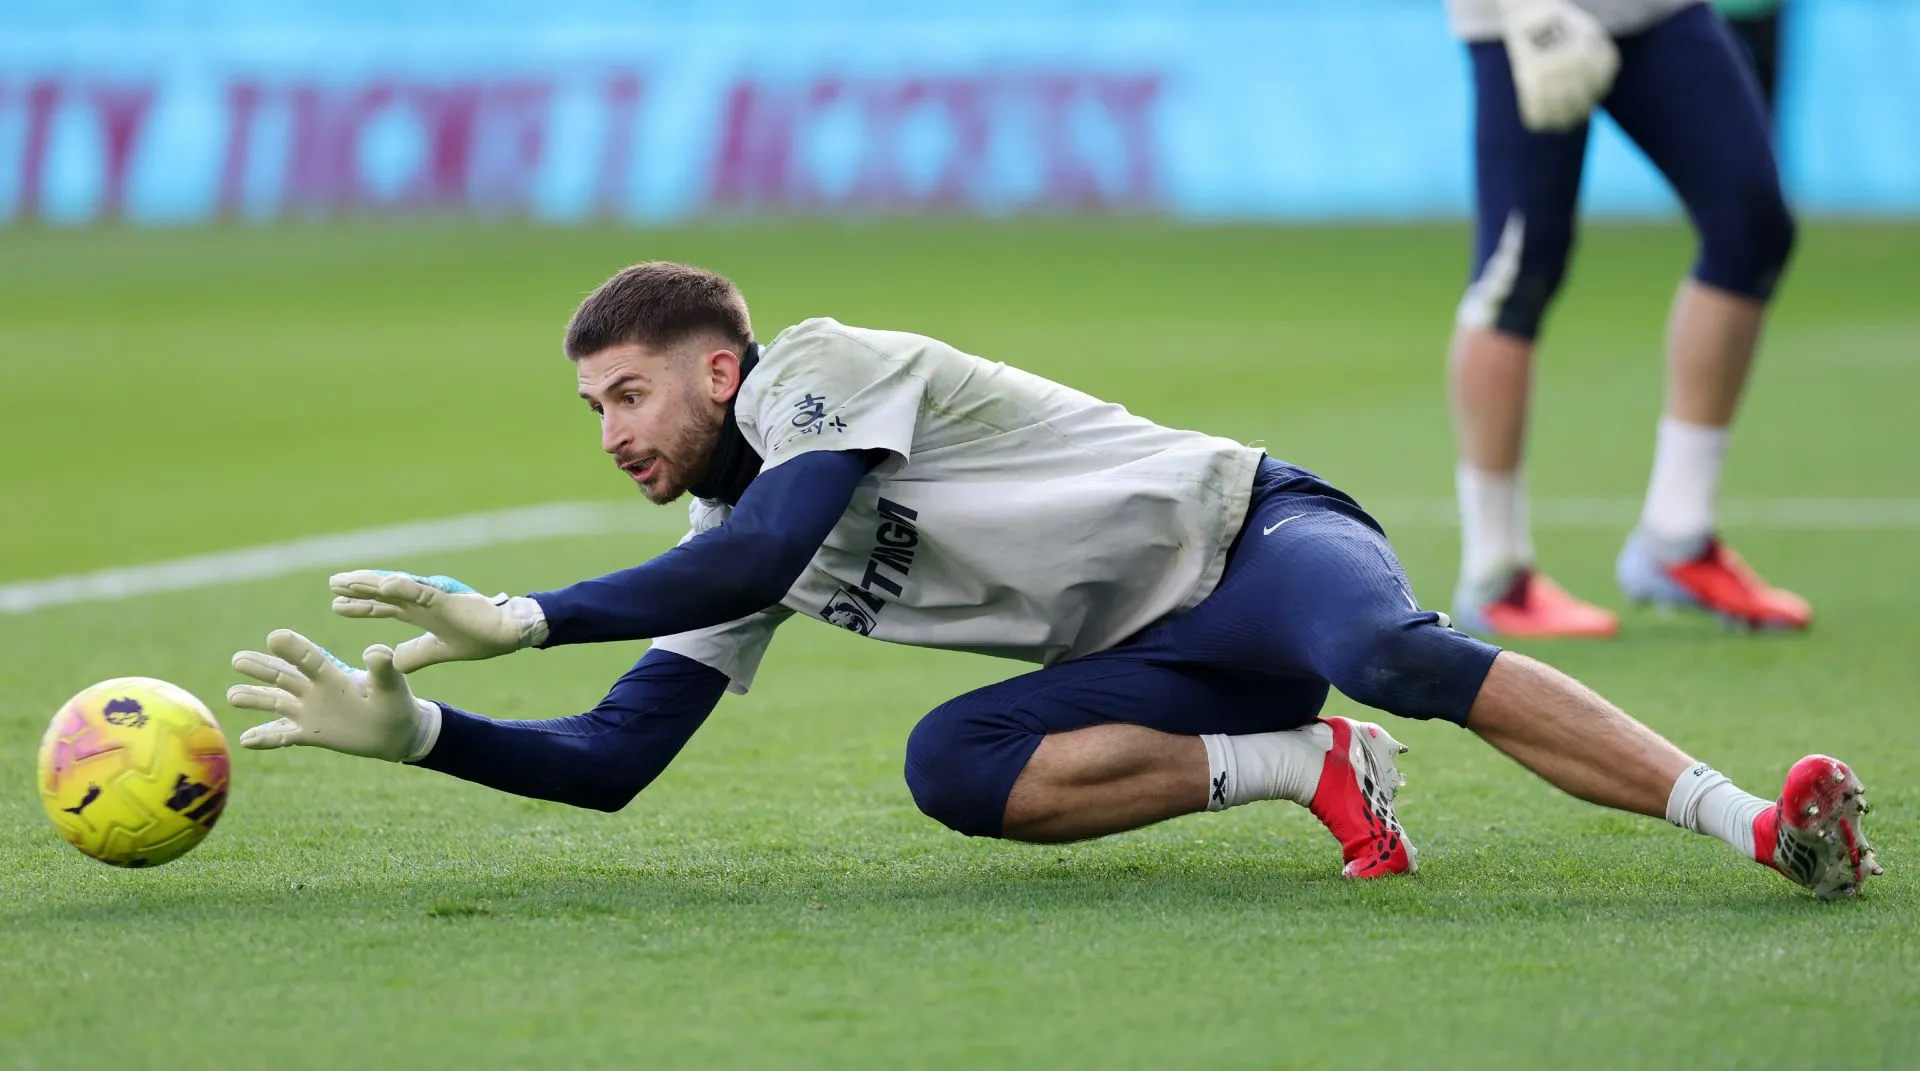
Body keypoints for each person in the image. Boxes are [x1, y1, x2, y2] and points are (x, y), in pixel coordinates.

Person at [225, 262, 1879, 899]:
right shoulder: (720, 551)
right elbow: (613, 762)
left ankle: (1757, 819)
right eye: (591, 409)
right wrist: (429, 732)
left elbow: (767, 544)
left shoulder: (817, 368)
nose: (609, 431)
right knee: (951, 765)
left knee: (1387, 644)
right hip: (1167, 670)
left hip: (1250, 541)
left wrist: (520, 612)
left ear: (721, 372)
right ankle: (1305, 766)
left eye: (629, 393)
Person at [1444, 0, 1807, 636]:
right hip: (1524, 21)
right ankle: (1495, 572)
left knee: (1752, 229)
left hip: (1657, 10)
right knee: (1517, 272)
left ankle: (1677, 535)